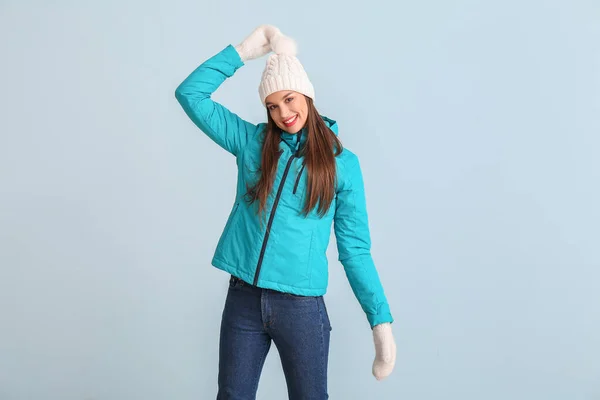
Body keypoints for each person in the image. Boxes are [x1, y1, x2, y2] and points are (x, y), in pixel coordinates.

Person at [175, 25, 396, 399]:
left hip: (301, 308)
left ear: (307, 95)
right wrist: (242, 52)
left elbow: (355, 250)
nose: (283, 113)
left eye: (290, 99)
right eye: (272, 106)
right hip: (243, 299)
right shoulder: (252, 143)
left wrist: (381, 323)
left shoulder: (343, 166)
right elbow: (190, 94)